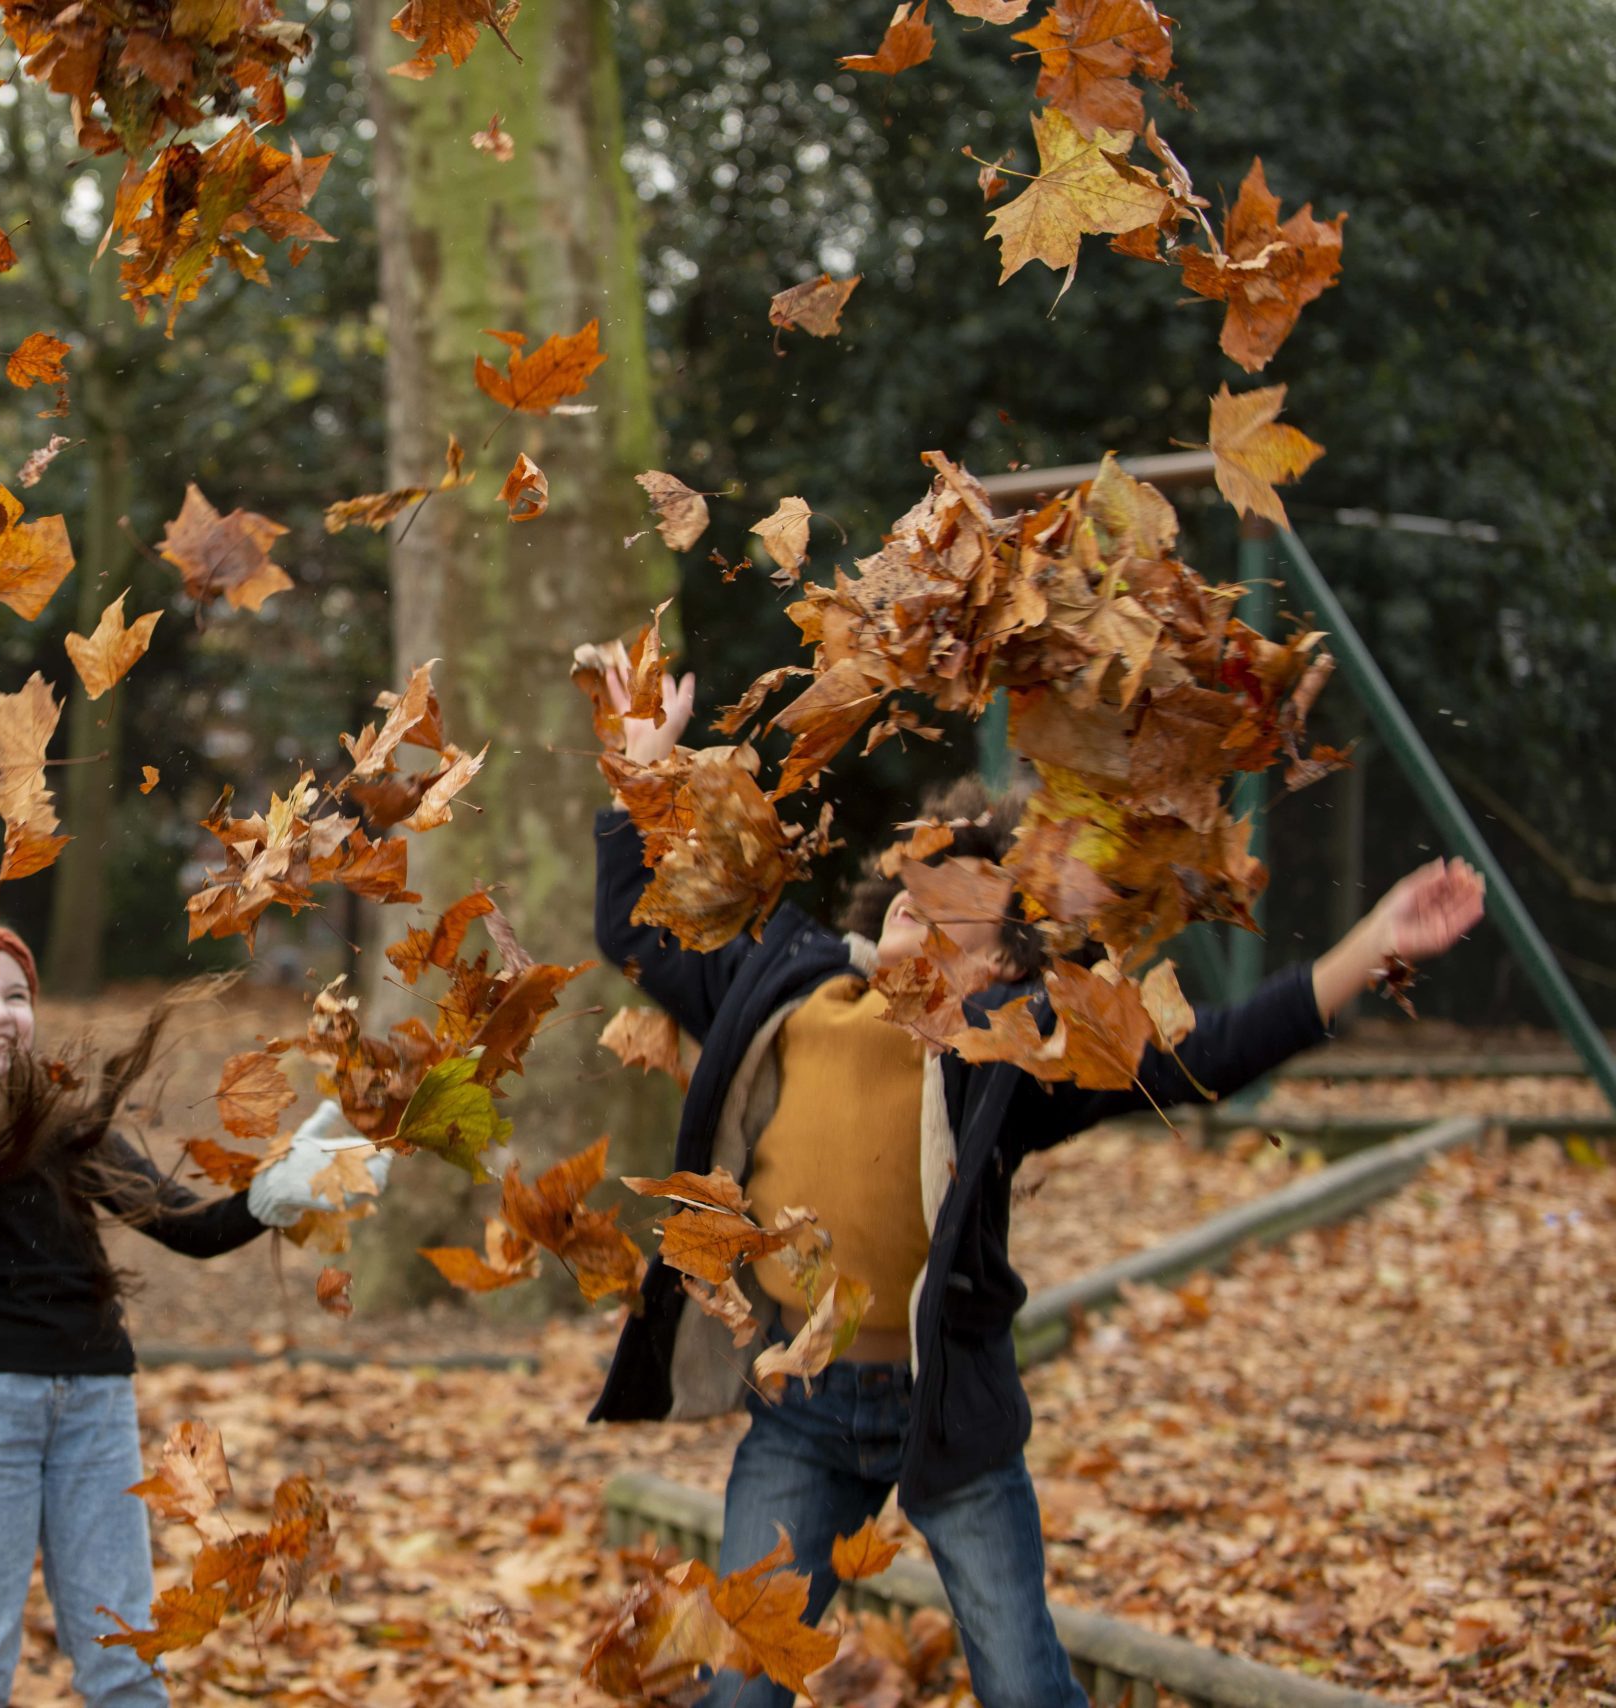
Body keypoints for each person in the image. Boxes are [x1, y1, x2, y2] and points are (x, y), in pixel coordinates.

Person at [586, 668, 1487, 1708]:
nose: (931, 934)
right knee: (741, 1689)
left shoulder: (1006, 1060)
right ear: (883, 912)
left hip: (951, 1411)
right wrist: (641, 770)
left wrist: (1366, 949)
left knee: (1024, 1683)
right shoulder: (785, 987)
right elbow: (639, 935)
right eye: (919, 909)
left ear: (1004, 968)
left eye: (965, 928)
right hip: (800, 1408)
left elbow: (1206, 1054)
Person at [0, 915, 382, 1708]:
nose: (3, 1011)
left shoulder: (64, 1124)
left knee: (125, 1655)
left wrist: (275, 1192)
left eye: (17, 994)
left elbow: (189, 1227)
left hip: (94, 1403)